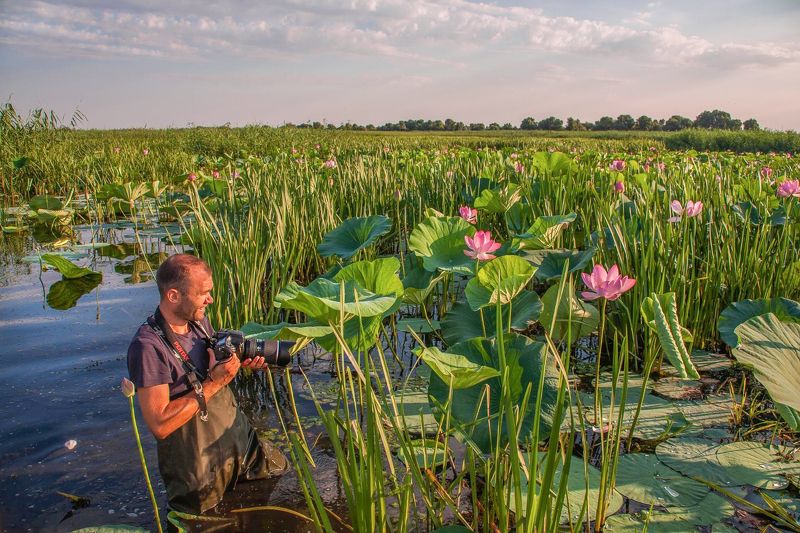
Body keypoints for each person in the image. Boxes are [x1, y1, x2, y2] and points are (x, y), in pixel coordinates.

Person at [126, 253, 288, 514]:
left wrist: (238, 363)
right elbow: (160, 424)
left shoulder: (198, 321)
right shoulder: (147, 347)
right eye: (203, 293)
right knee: (203, 522)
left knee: (280, 477)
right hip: (197, 467)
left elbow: (212, 367)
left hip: (240, 443)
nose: (210, 300)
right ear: (173, 296)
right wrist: (214, 382)